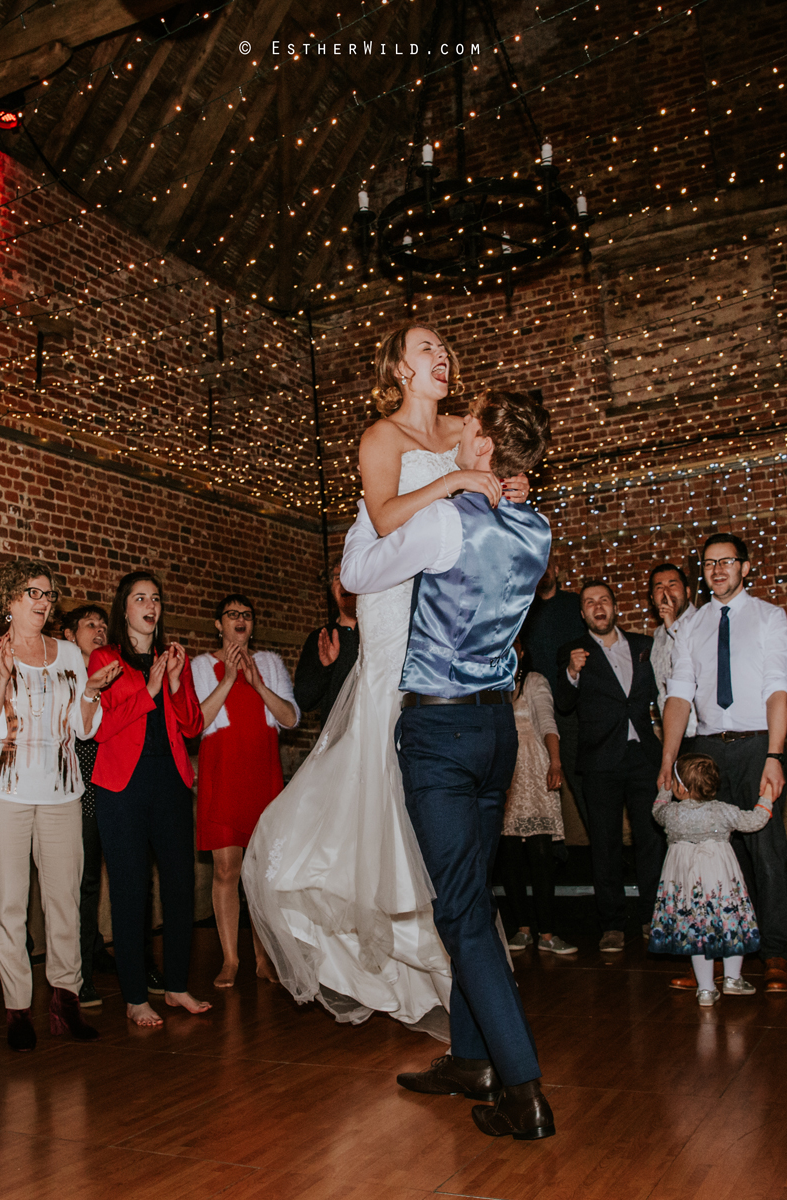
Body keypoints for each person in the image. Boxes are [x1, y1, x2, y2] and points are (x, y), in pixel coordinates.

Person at [242, 323, 513, 1033]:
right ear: (398, 367)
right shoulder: (381, 438)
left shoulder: (462, 426)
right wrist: (455, 478)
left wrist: (503, 478)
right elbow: (386, 516)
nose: (441, 354)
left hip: (451, 607)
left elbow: (500, 463)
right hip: (395, 607)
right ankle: (387, 942)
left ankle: (447, 950)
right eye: (426, 347)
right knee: (386, 764)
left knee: (436, 793)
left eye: (445, 346)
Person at [342, 388, 556, 1140]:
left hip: (437, 734)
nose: (462, 427)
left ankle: (524, 1090)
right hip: (499, 732)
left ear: (488, 450)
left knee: (460, 910)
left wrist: (418, 490)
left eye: (474, 425)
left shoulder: (440, 522)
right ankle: (471, 1058)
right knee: (475, 896)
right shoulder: (539, 528)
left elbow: (362, 571)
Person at [0, 560, 110, 1051]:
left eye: (48, 594)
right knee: (9, 904)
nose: (44, 601)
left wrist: (89, 691)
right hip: (3, 792)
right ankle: (17, 1008)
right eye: (33, 593)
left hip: (62, 790)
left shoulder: (69, 652)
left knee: (64, 901)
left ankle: (65, 1002)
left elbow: (86, 728)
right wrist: (3, 676)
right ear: (8, 600)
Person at [659, 532, 787, 994]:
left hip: (758, 744)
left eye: (727, 561)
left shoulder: (768, 618)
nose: (717, 570)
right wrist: (669, 761)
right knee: (713, 859)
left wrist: (775, 755)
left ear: (745, 566)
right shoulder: (691, 626)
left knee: (767, 854)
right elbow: (678, 695)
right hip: (706, 749)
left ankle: (774, 953)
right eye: (709, 563)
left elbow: (778, 687)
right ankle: (716, 955)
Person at [89, 571, 210, 1026]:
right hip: (122, 785)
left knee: (179, 886)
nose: (150, 605)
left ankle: (176, 986)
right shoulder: (106, 658)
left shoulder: (172, 657)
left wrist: (176, 683)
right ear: (125, 609)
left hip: (170, 780)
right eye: (140, 598)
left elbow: (193, 726)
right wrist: (150, 689)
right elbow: (99, 728)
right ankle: (135, 996)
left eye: (156, 598)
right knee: (130, 891)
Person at [192, 595, 299, 987]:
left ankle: (263, 957)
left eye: (247, 615)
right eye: (232, 615)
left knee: (261, 874)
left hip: (262, 777)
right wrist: (228, 680)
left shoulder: (269, 663)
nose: (240, 620)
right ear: (218, 625)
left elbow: (289, 717)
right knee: (226, 870)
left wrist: (257, 683)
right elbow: (196, 721)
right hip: (223, 775)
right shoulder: (201, 666)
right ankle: (231, 959)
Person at [553, 581, 667, 952]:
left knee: (651, 841)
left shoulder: (645, 646)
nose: (598, 607)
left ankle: (653, 917)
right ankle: (612, 926)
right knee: (605, 845)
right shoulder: (572, 652)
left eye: (604, 600)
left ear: (615, 607)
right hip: (600, 761)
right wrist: (571, 672)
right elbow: (564, 704)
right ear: (583, 613)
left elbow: (664, 693)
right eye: (590, 603)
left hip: (644, 758)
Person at [649, 753, 770, 1007]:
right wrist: (766, 798)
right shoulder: (723, 810)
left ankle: (705, 989)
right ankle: (733, 978)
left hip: (685, 878)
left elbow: (657, 810)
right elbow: (754, 821)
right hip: (719, 875)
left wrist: (663, 788)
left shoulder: (671, 813)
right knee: (729, 921)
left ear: (680, 787)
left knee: (697, 929)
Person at [499, 638, 572, 954]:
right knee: (509, 856)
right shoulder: (490, 684)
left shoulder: (534, 680)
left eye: (512, 644)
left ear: (522, 651)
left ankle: (547, 933)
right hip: (503, 774)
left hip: (534, 771)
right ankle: (522, 929)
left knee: (541, 855)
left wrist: (555, 762)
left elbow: (547, 722)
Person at [60, 603, 111, 1007]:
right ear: (69, 634)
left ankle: (93, 946)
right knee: (81, 879)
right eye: (89, 625)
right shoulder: (63, 671)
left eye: (102, 625)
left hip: (108, 779)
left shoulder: (112, 669)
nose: (99, 630)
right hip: (74, 782)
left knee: (94, 872)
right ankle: (79, 972)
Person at [523, 565, 589, 812]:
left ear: (557, 569)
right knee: (540, 785)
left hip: (573, 706)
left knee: (581, 781)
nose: (543, 572)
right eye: (537, 566)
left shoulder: (574, 604)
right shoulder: (525, 610)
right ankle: (556, 851)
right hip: (536, 708)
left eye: (547, 566)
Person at [293, 576, 359, 722]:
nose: (343, 582)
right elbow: (304, 700)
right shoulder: (320, 638)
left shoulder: (377, 634)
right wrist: (326, 668)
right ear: (331, 590)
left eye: (347, 575)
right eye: (337, 578)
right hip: (338, 739)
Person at [647, 562, 698, 742]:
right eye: (659, 587)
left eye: (672, 585)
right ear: (653, 599)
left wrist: (672, 625)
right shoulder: (658, 635)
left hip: (702, 733)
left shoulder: (703, 622)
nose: (666, 592)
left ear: (688, 592)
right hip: (675, 737)